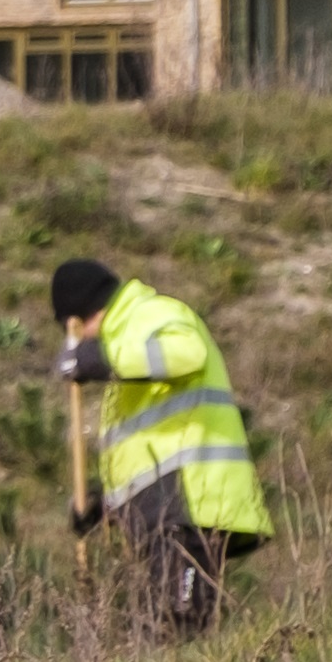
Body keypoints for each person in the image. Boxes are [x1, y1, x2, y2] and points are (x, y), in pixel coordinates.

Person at [54, 253, 264, 633]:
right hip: (164, 513)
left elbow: (188, 352)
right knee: (159, 636)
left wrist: (104, 357)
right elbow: (145, 450)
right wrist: (104, 505)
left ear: (84, 316)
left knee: (180, 628)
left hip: (190, 505)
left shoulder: (149, 315)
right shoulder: (125, 349)